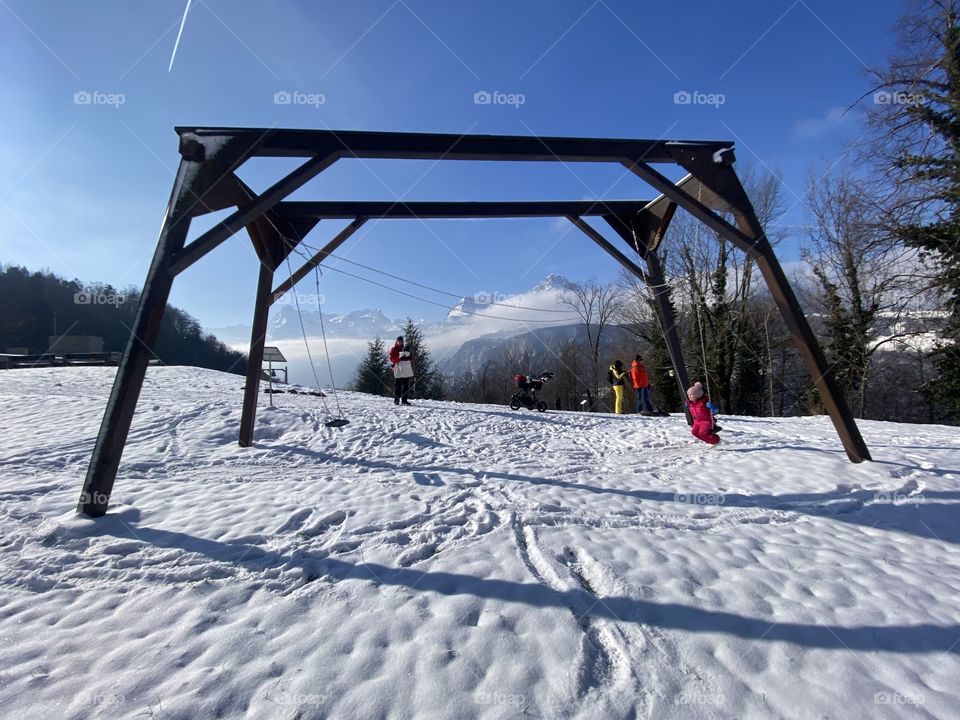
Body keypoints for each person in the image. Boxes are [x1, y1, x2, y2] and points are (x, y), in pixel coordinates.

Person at [389, 336, 414, 405]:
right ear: (396, 342)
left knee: (406, 386)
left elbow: (411, 358)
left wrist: (408, 358)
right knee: (398, 386)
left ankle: (404, 400)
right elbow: (392, 359)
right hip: (398, 369)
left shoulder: (406, 349)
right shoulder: (393, 349)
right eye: (399, 341)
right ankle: (396, 400)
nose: (400, 343)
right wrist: (399, 359)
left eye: (402, 341)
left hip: (406, 369)